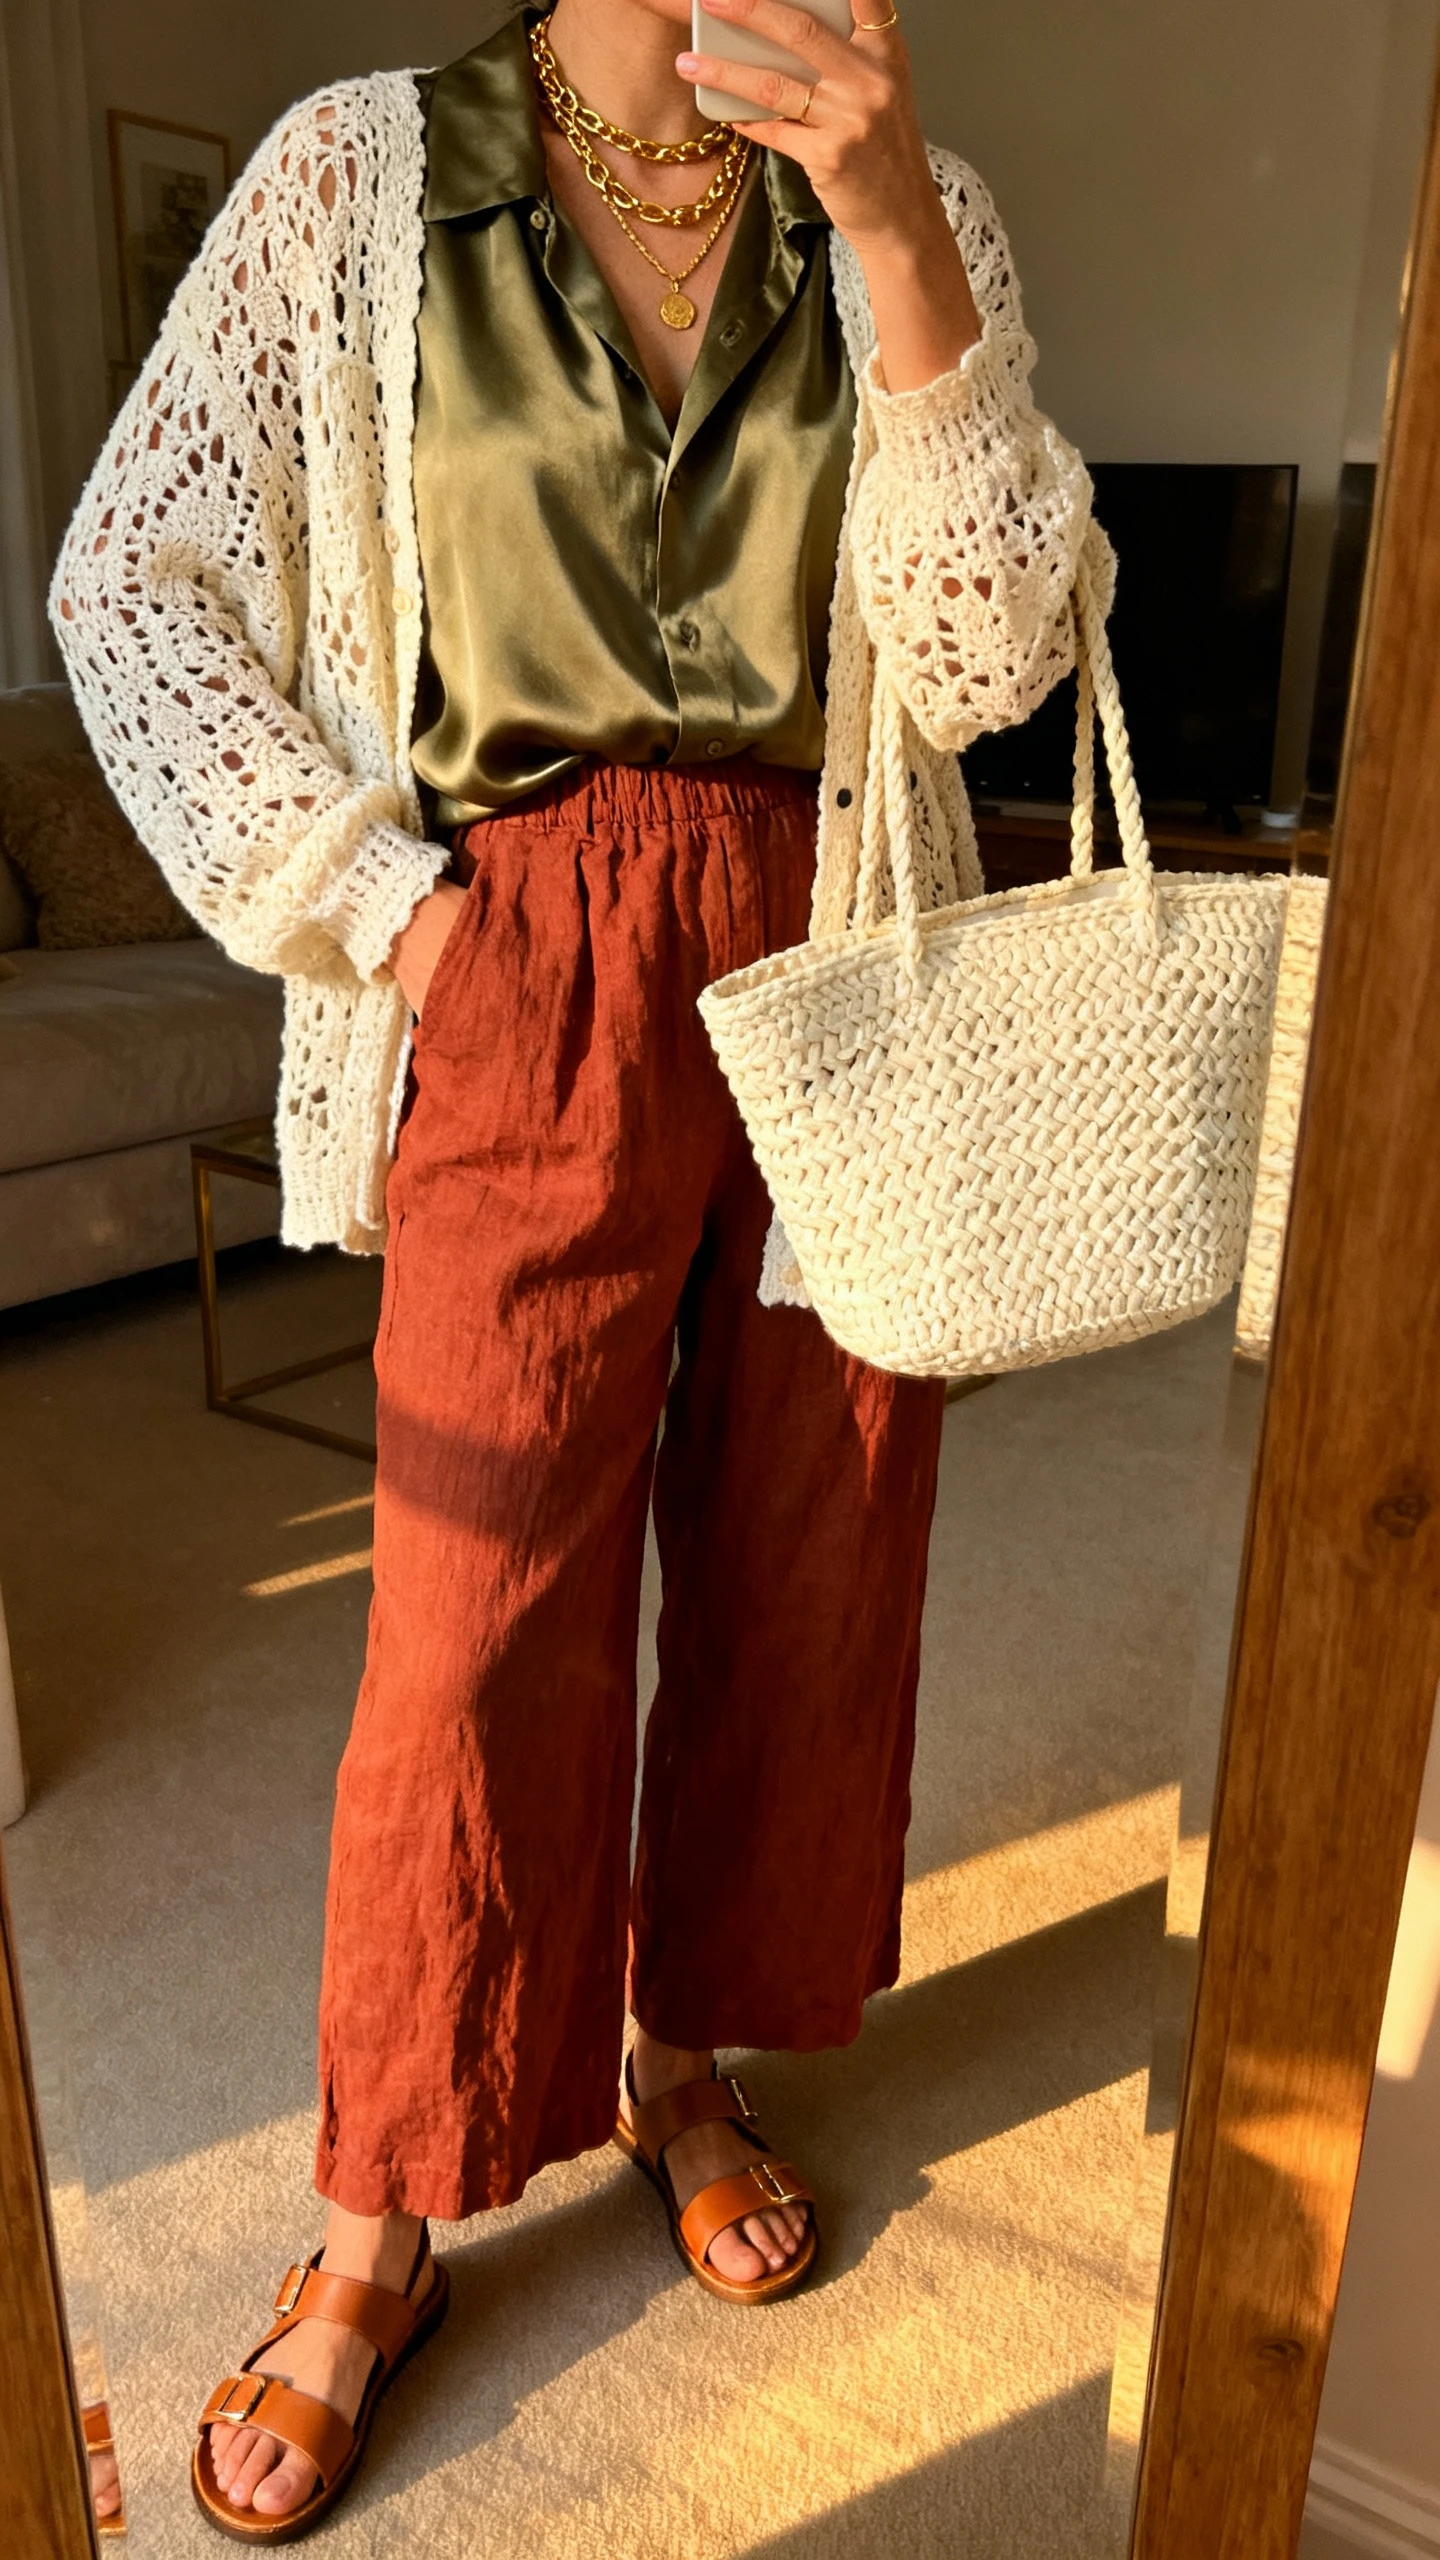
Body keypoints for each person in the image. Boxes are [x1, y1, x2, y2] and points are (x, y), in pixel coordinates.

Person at [53, 0, 1101, 2535]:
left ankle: (682, 2052)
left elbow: (994, 664)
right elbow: (134, 589)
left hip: (835, 930)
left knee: (810, 1556)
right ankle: (374, 2213)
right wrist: (393, 922)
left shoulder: (914, 208)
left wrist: (886, 230)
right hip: (511, 942)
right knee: (470, 1601)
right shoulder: (355, 178)